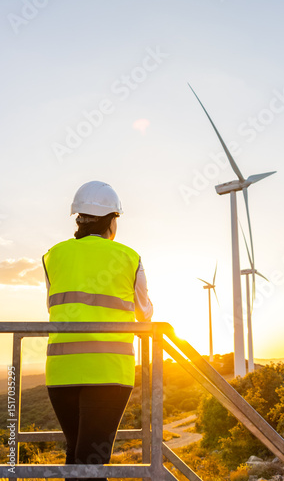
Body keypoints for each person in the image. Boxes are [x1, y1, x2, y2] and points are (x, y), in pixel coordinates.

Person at [43, 181, 153, 480]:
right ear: (112, 219)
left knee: (77, 455)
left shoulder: (53, 256)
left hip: (61, 371)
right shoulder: (130, 258)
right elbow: (144, 314)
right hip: (108, 371)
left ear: (77, 217)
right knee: (92, 461)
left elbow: (54, 305)